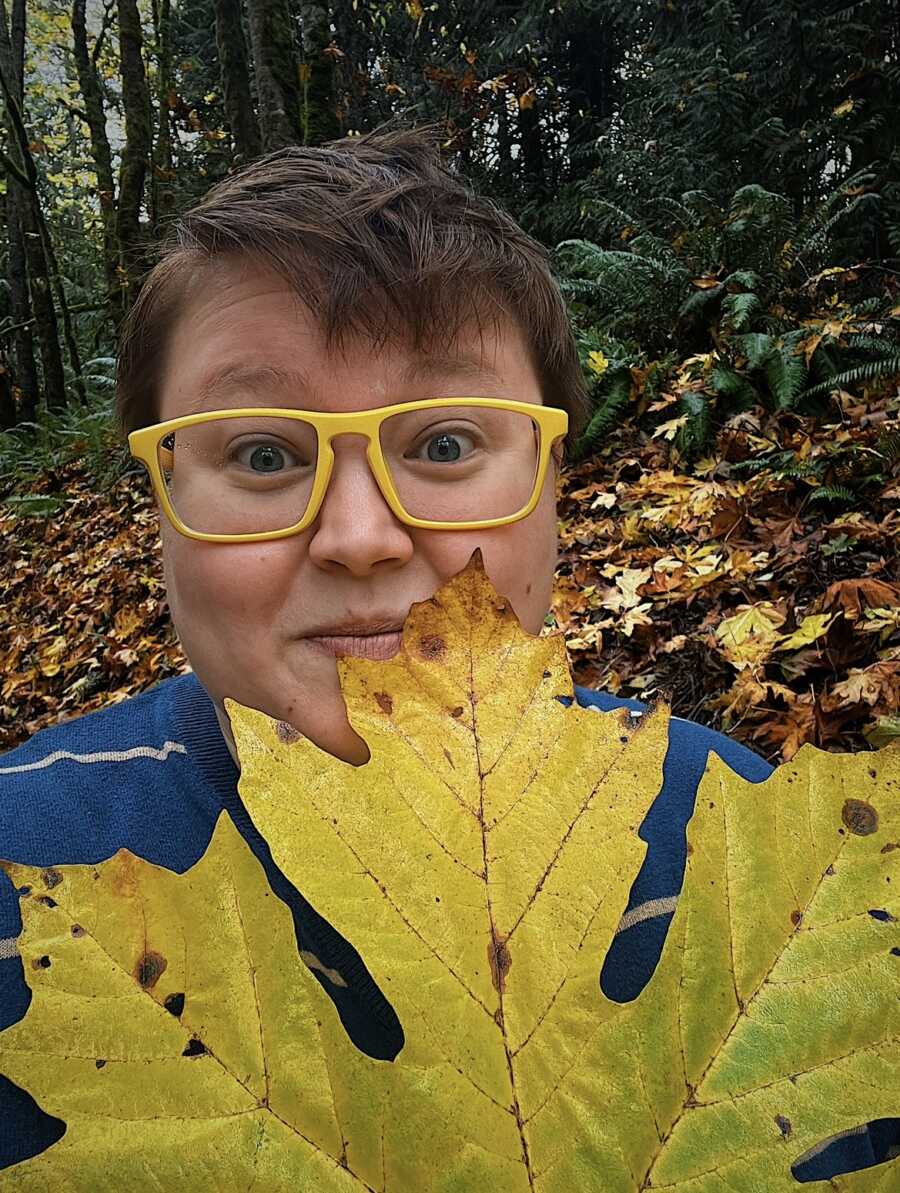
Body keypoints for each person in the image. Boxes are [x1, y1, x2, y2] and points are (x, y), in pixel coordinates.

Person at [0, 124, 893, 1180]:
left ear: (555, 479)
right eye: (262, 452)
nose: (361, 536)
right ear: (160, 503)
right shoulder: (26, 876)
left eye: (446, 444)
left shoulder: (763, 858)